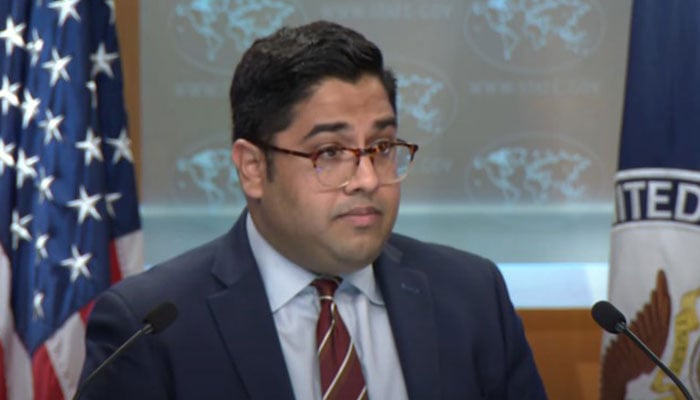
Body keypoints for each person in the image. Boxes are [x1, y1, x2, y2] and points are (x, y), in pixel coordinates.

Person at [78, 20, 547, 400]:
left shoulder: (471, 296)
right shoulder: (152, 326)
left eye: (382, 147)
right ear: (253, 168)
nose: (368, 179)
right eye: (330, 152)